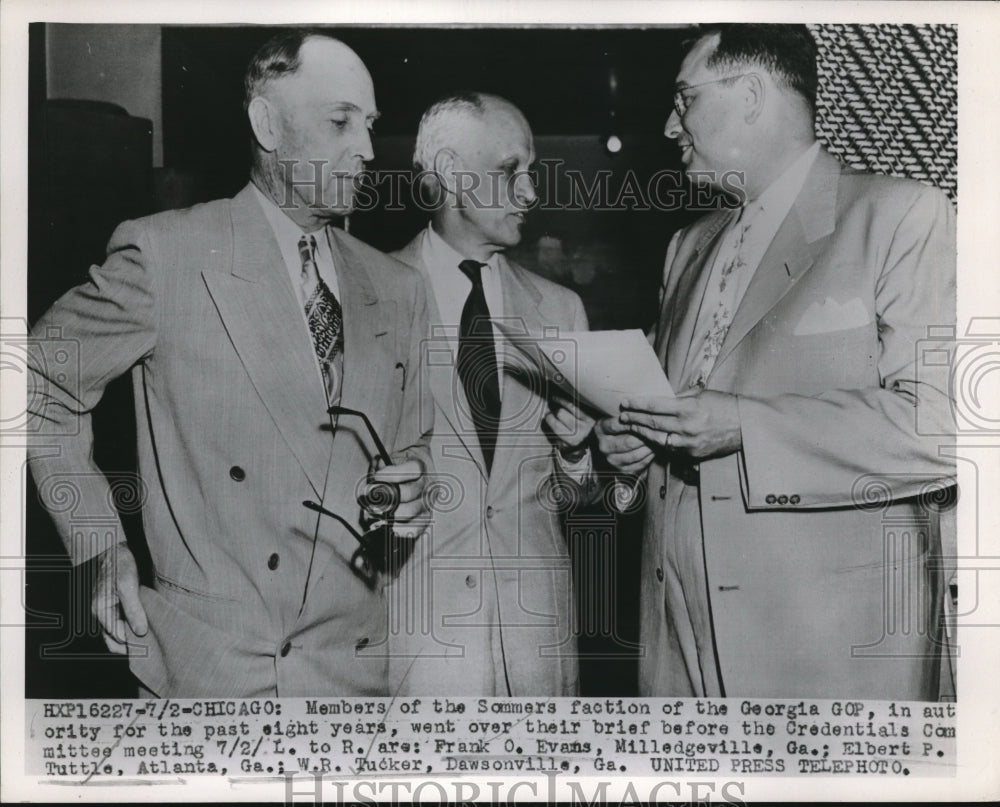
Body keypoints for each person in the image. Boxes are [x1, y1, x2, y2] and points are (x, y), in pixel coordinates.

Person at [26, 30, 433, 698]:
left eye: (370, 125)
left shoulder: (396, 285)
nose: (366, 148)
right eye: (341, 121)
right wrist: (97, 542)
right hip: (211, 675)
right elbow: (37, 382)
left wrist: (416, 485)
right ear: (266, 123)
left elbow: (419, 442)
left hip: (354, 679)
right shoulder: (168, 255)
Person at [596, 24, 956, 698]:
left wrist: (745, 427)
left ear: (753, 94)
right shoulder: (686, 246)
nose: (671, 126)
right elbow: (676, 416)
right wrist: (628, 446)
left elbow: (943, 428)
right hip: (678, 650)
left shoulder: (900, 214)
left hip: (827, 650)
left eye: (685, 99)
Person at [388, 92, 596, 695]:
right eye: (511, 172)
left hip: (538, 654)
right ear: (451, 173)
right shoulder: (365, 299)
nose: (531, 194)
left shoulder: (561, 311)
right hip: (416, 658)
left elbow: (572, 500)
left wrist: (576, 453)